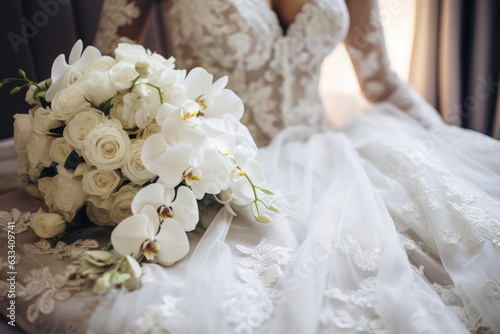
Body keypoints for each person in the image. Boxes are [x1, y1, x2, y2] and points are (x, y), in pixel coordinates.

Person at [3, 0, 499, 333]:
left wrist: (442, 140)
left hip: (335, 156)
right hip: (210, 161)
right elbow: (109, 69)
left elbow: (383, 83)